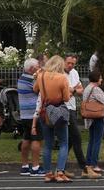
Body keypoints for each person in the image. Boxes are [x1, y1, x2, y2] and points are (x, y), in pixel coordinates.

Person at [33, 55, 71, 183]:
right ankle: (60, 172)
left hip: (45, 112)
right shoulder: (62, 78)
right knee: (64, 143)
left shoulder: (41, 76)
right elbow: (66, 98)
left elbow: (35, 89)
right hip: (58, 112)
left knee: (47, 145)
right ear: (60, 66)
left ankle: (48, 173)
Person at [63, 54, 95, 179]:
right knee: (76, 136)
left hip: (72, 107)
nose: (70, 65)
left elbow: (81, 89)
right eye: (69, 63)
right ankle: (84, 168)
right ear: (64, 62)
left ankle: (62, 167)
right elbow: (65, 91)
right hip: (63, 108)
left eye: (73, 63)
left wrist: (73, 90)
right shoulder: (59, 73)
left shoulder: (75, 73)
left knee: (70, 140)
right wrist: (73, 89)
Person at [18, 58, 45, 177]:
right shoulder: (30, 79)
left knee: (26, 138)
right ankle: (35, 167)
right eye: (37, 66)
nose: (39, 67)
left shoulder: (21, 78)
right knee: (36, 139)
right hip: (33, 114)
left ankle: (24, 166)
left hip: (24, 114)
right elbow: (40, 89)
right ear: (31, 69)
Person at [83, 70, 104, 177]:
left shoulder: (87, 88)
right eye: (100, 77)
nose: (101, 79)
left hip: (90, 117)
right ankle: (94, 164)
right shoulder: (96, 89)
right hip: (98, 117)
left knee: (91, 141)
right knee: (97, 141)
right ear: (96, 78)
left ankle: (89, 163)